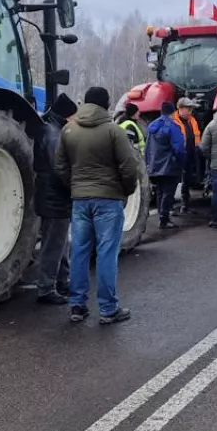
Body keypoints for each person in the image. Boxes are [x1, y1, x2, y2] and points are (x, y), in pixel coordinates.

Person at [55, 86, 139, 324]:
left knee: (79, 252)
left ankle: (77, 305)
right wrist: (126, 190)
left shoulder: (68, 130)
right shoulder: (113, 131)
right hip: (108, 199)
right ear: (106, 104)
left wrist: (75, 187)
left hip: (80, 200)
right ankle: (108, 309)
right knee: (106, 253)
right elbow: (129, 167)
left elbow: (60, 166)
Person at [32, 93, 77, 304]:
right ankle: (46, 289)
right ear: (67, 116)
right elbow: (59, 168)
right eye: (74, 116)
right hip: (54, 198)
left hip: (52, 196)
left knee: (61, 242)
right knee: (53, 244)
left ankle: (62, 280)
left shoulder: (50, 129)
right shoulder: (54, 135)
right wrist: (75, 187)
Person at [145, 101, 185, 230]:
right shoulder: (173, 127)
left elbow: (147, 148)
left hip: (155, 165)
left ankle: (162, 217)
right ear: (174, 112)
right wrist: (182, 162)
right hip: (169, 165)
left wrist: (148, 163)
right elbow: (179, 148)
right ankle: (164, 219)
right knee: (168, 192)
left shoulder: (152, 126)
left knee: (160, 192)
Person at [173, 98, 202, 213]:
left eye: (191, 109)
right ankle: (170, 207)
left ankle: (185, 204)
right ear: (179, 108)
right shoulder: (174, 121)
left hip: (190, 154)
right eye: (188, 109)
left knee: (187, 180)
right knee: (175, 180)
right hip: (178, 155)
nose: (190, 111)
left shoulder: (192, 120)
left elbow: (196, 135)